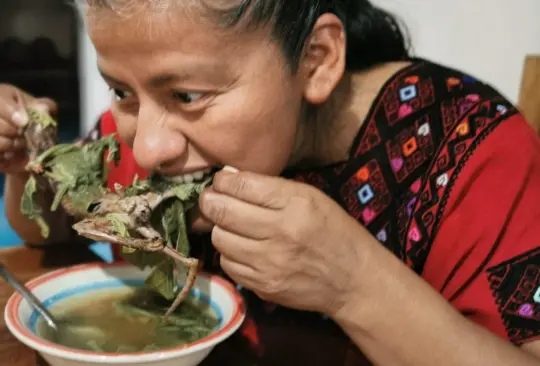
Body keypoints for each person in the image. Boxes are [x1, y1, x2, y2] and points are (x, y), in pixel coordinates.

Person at [2, 1, 540, 364]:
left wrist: (354, 284)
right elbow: (47, 233)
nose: (146, 147)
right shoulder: (155, 137)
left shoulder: (469, 148)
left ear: (315, 60)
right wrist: (31, 163)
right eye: (120, 90)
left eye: (187, 96)